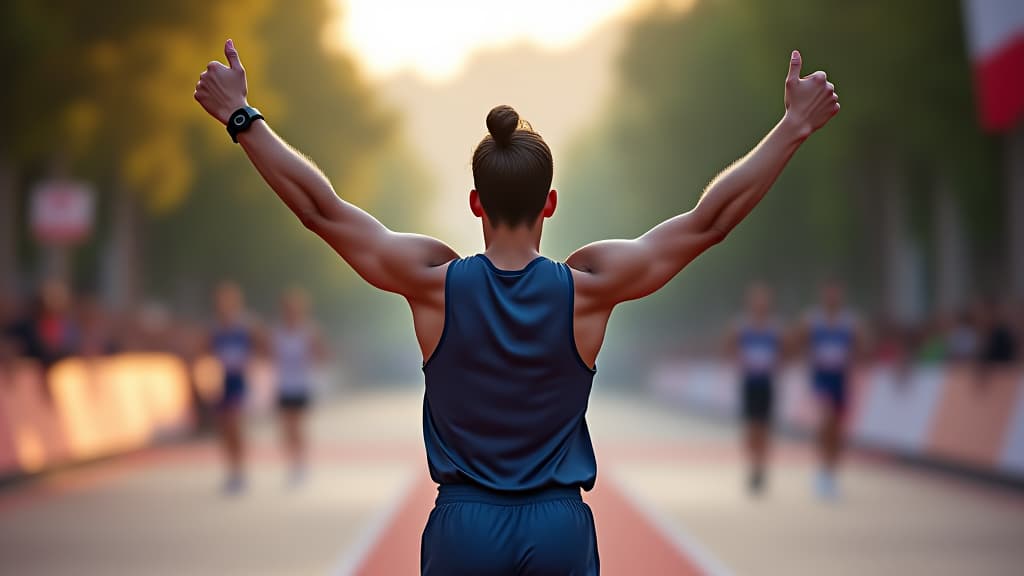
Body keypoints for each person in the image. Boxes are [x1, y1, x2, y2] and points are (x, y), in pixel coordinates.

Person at [195, 40, 839, 574]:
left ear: (475, 203)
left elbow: (320, 210)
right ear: (550, 203)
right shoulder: (588, 287)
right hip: (557, 529)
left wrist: (242, 118)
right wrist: (792, 127)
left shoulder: (431, 282)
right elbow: (709, 223)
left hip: (463, 527)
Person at [798, 280, 864, 500]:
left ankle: (831, 474)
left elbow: (862, 346)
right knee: (826, 419)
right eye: (829, 294)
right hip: (821, 378)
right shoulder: (812, 320)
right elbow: (796, 342)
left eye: (836, 294)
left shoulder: (849, 322)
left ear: (840, 296)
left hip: (840, 379)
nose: (832, 298)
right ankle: (822, 471)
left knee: (837, 429)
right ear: (823, 295)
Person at [726, 283, 783, 495]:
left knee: (765, 429)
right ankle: (753, 465)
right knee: (751, 430)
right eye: (757, 299)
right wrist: (739, 360)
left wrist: (776, 363)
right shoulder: (741, 326)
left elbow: (784, 351)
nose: (760, 303)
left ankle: (761, 468)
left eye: (764, 299)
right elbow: (729, 347)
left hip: (766, 383)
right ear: (750, 303)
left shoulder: (774, 327)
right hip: (749, 383)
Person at [272, 287, 327, 487]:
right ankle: (293, 463)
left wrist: (314, 358)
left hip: (301, 385)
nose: (290, 312)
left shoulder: (308, 331)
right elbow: (270, 354)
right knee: (286, 428)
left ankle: (300, 464)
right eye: (287, 308)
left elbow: (322, 354)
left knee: (297, 426)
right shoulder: (277, 331)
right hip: (284, 385)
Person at [208, 281, 257, 495]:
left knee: (234, 425)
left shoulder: (244, 326)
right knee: (225, 430)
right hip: (222, 381)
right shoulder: (216, 328)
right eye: (220, 301)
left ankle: (240, 472)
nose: (224, 305)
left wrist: (250, 363)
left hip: (239, 381)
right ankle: (231, 470)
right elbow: (205, 352)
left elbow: (260, 348)